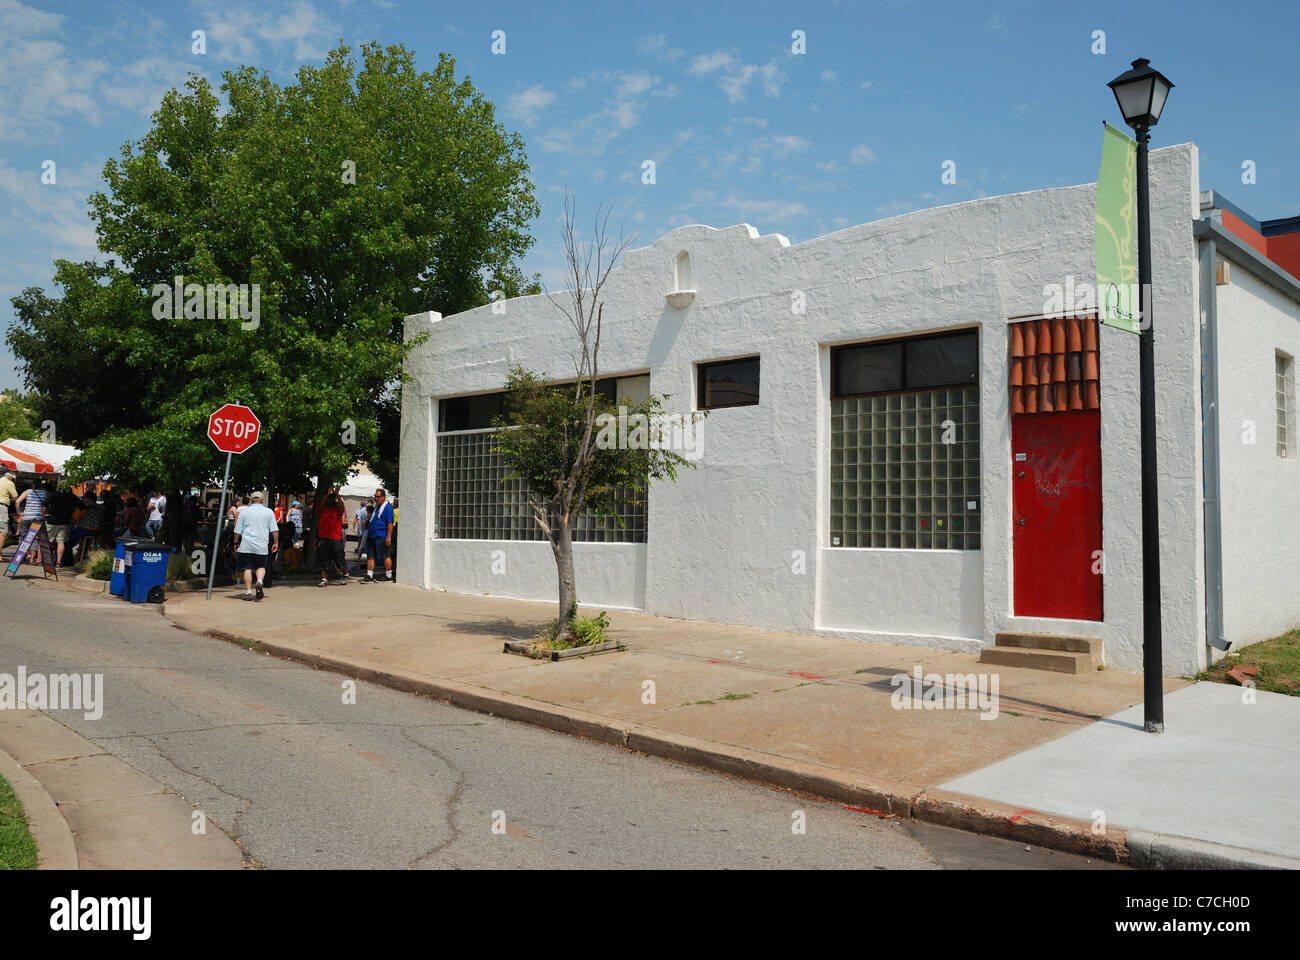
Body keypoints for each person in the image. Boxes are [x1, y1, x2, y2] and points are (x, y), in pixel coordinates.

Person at [233, 491, 278, 601]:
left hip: (246, 544)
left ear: (251, 500)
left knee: (247, 567)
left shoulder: (244, 512)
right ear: (262, 500)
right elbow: (274, 530)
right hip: (261, 544)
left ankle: (248, 592)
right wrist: (275, 543)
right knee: (261, 566)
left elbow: (237, 530)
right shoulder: (269, 512)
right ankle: (259, 582)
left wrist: (236, 542)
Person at [314, 489, 348, 587]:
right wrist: (327, 495)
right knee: (322, 559)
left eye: (330, 499)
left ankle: (345, 575)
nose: (329, 501)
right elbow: (320, 504)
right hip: (324, 537)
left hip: (336, 537)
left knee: (339, 558)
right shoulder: (323, 508)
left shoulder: (337, 509)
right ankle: (324, 579)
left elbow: (342, 506)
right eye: (328, 499)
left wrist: (337, 495)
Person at [43, 485, 80, 568]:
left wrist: (43, 515)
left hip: (51, 521)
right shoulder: (72, 496)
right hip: (65, 522)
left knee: (48, 541)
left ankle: (47, 561)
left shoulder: (53, 494)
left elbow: (44, 506)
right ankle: (59, 562)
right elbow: (82, 506)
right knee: (61, 542)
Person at [364, 488, 395, 582]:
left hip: (381, 535)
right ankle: (369, 575)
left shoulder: (388, 508)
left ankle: (388, 576)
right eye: (375, 496)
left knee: (385, 555)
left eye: (377, 497)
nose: (375, 498)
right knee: (370, 555)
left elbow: (390, 523)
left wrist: (388, 537)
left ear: (383, 497)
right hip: (372, 535)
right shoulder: (377, 507)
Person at [0, 470, 18, 539]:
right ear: (11, 477)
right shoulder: (9, 483)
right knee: (3, 531)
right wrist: (9, 499)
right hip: (2, 507)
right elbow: (15, 497)